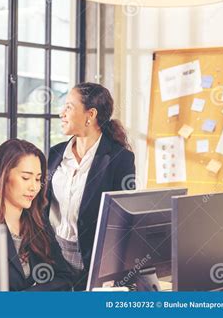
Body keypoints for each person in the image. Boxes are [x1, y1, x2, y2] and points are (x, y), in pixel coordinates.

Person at [48, 82, 136, 290]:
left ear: (91, 114)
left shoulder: (119, 159)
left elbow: (121, 223)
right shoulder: (55, 153)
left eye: (69, 106)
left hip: (92, 263)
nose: (62, 113)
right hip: (51, 258)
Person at [0, 139, 73, 291]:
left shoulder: (39, 221)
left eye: (38, 179)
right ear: (3, 175)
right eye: (26, 178)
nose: (34, 187)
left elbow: (64, 278)